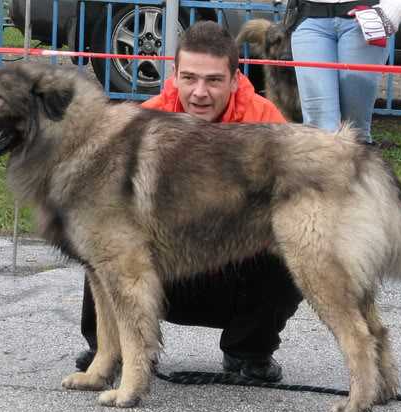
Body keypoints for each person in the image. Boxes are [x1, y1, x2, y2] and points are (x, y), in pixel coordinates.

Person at [76, 20, 303, 382]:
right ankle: (111, 348)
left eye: (213, 80)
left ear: (234, 78)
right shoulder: (144, 118)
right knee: (105, 240)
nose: (199, 92)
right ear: (174, 74)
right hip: (166, 273)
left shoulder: (265, 121)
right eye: (190, 78)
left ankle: (248, 350)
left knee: (291, 237)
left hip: (235, 271)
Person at [290, 0, 401, 143]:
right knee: (319, 126)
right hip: (309, 18)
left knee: (355, 129)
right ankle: (324, 163)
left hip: (365, 17)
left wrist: (391, 10)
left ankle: (358, 162)